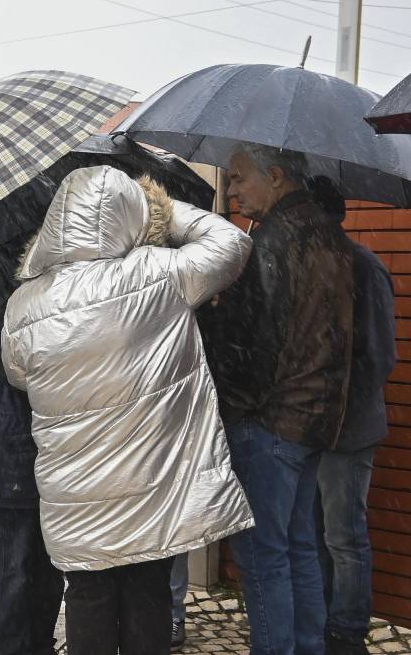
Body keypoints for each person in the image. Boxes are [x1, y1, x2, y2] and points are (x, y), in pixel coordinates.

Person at [2, 167, 254, 655]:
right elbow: (230, 245)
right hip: (151, 483)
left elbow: (19, 376)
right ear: (132, 217)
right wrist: (165, 208)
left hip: (73, 490)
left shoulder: (24, 303)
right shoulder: (157, 272)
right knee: (147, 593)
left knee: (88, 597)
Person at [201, 147, 355, 655]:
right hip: (315, 419)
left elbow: (251, 349)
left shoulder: (269, 243)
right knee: (299, 548)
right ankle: (308, 646)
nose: (230, 191)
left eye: (239, 179)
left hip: (268, 423)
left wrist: (232, 407)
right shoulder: (330, 236)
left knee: (263, 557)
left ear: (275, 175)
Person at [0, 176, 65, 655]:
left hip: (50, 434)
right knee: (16, 558)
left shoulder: (52, 269)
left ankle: (38, 644)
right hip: (10, 436)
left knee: (46, 559)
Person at [310, 177, 395, 655]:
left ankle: (346, 633)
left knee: (343, 536)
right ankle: (324, 622)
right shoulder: (313, 267)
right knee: (317, 534)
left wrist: (335, 406)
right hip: (313, 428)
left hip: (349, 427)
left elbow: (379, 355)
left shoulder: (364, 267)